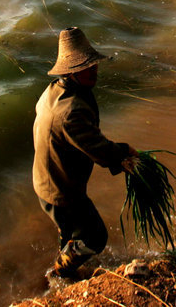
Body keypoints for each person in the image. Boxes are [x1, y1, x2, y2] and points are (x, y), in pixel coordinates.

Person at [32, 26, 137, 278]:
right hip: (60, 190)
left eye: (93, 65)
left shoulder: (53, 91)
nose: (94, 70)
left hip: (48, 180)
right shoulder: (72, 112)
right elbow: (97, 148)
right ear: (71, 71)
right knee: (95, 237)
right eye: (86, 67)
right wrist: (124, 154)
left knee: (70, 230)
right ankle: (60, 272)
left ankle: (65, 259)